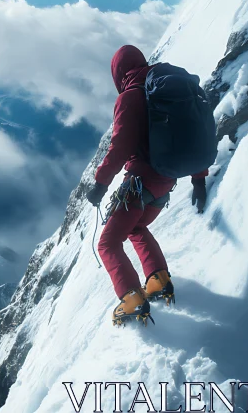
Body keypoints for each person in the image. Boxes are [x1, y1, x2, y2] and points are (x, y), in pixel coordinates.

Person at [85, 45, 208, 326]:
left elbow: (120, 146)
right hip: (166, 180)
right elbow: (193, 132)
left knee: (108, 243)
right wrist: (199, 178)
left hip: (140, 183)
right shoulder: (167, 90)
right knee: (137, 227)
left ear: (118, 73)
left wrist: (101, 184)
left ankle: (132, 299)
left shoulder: (131, 96)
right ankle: (158, 280)